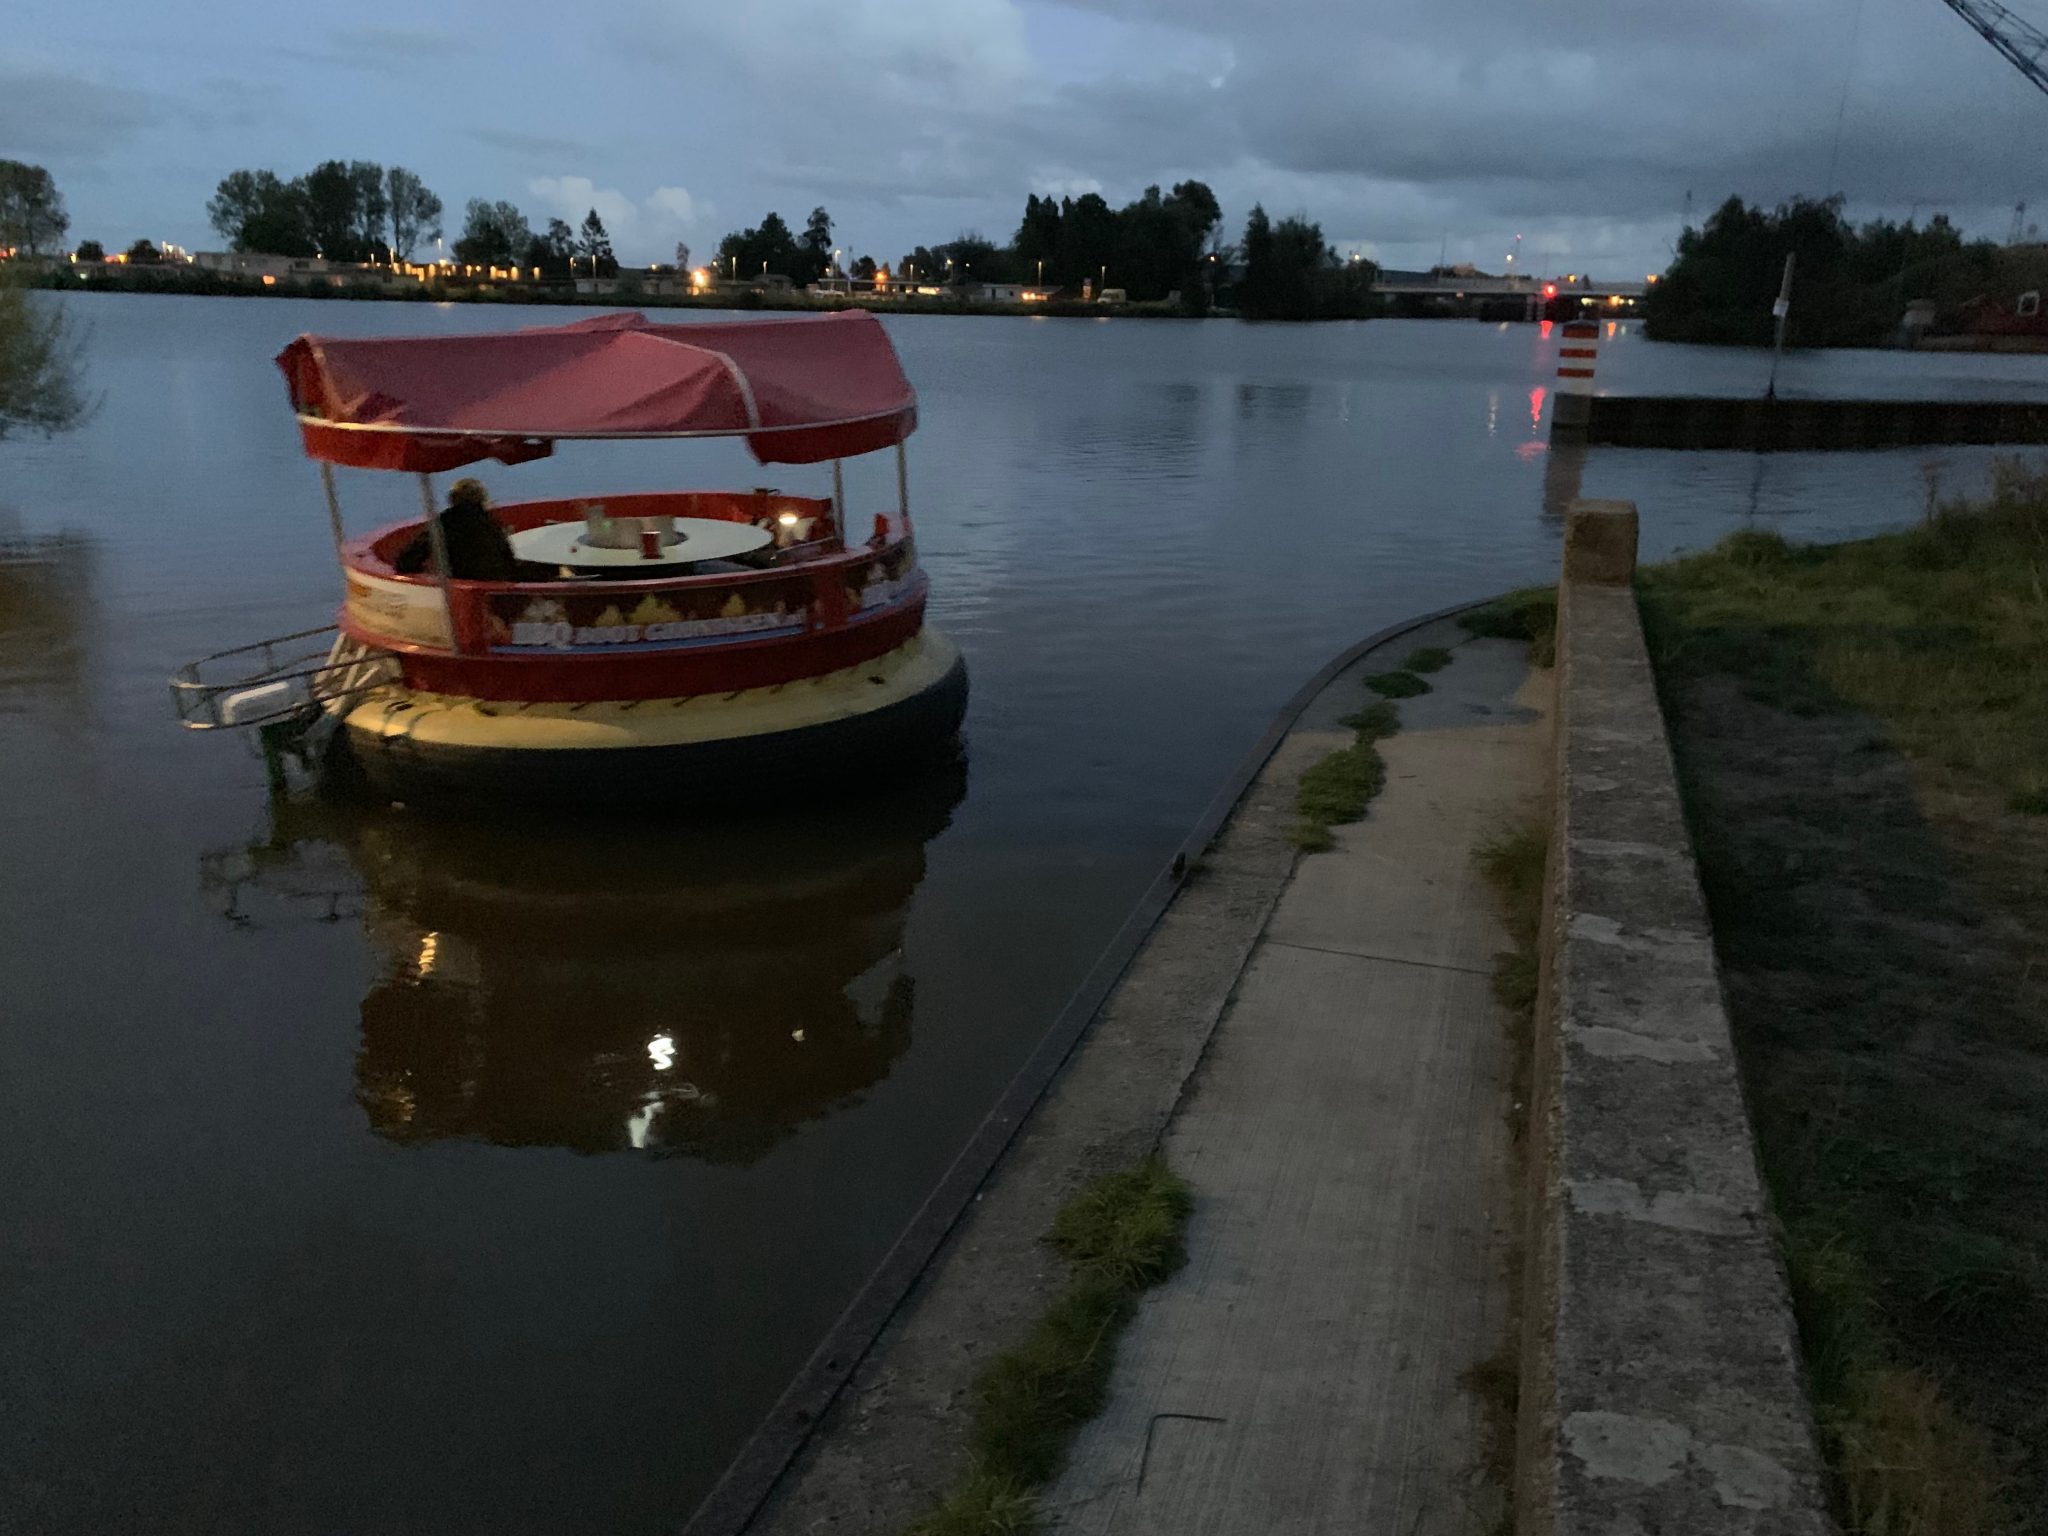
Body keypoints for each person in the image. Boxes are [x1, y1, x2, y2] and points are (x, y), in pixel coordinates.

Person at [393, 478, 520, 581]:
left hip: (461, 583)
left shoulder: (443, 523)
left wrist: (425, 573)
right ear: (482, 499)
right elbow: (508, 559)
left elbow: (407, 560)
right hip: (496, 583)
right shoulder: (490, 523)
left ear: (452, 499)